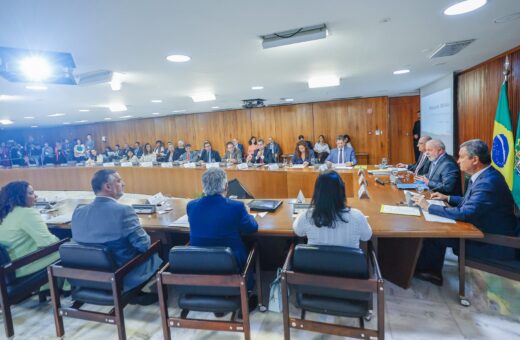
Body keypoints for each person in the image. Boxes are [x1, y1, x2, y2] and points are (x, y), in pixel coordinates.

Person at [413, 139, 518, 286]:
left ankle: (430, 272)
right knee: (434, 227)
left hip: (493, 242)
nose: (458, 161)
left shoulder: (487, 182)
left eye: (462, 157)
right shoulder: (485, 175)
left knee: (433, 233)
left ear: (475, 159)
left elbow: (466, 213)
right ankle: (425, 268)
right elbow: (470, 200)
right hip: (482, 229)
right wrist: (447, 197)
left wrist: (428, 207)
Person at [71, 170, 162, 295]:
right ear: (107, 187)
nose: (123, 184)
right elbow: (144, 245)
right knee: (162, 247)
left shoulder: (78, 211)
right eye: (118, 181)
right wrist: (138, 226)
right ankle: (147, 292)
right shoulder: (124, 211)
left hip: (88, 275)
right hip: (122, 274)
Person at [187, 168, 258, 272]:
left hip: (200, 265)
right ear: (226, 186)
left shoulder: (191, 206)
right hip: (232, 266)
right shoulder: (236, 207)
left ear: (203, 187)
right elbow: (252, 228)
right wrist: (247, 213)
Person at [293, 171, 372, 247]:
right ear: (342, 192)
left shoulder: (307, 216)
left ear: (317, 193)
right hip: (347, 261)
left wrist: (300, 214)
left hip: (317, 261)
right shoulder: (357, 217)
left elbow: (299, 232)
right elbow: (366, 237)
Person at [0, 181, 61, 278]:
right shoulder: (27, 213)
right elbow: (48, 243)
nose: (35, 196)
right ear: (19, 197)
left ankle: (48, 289)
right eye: (31, 193)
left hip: (6, 271)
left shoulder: (4, 213)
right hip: (21, 267)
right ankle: (68, 290)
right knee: (70, 250)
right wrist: (62, 241)